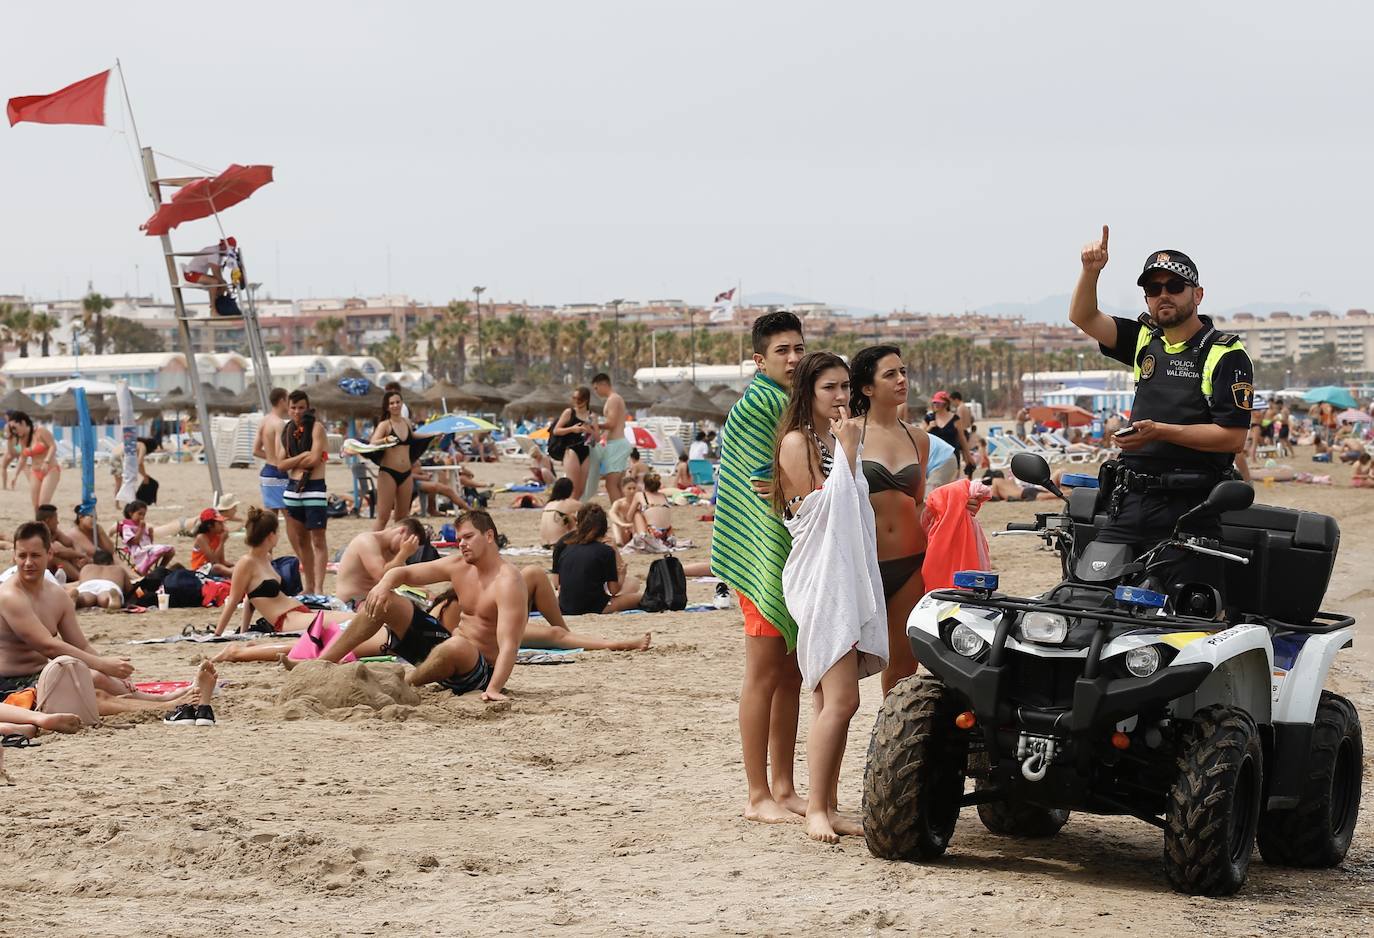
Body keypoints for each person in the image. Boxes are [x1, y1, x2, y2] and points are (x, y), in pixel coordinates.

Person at [1070, 227, 1252, 579]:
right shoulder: (1144, 339)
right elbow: (1084, 317)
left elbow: (1233, 438)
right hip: (1131, 500)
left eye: (1174, 287)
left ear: (1197, 294)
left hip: (1192, 505)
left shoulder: (1225, 352)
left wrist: (1160, 432)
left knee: (1183, 616)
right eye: (1153, 289)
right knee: (1090, 591)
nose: (1163, 295)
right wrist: (1091, 271)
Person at [774, 352, 886, 842]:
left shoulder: (837, 438)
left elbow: (854, 501)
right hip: (819, 579)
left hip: (844, 574)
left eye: (845, 387)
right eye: (830, 388)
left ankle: (828, 803)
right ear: (809, 393)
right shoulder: (798, 442)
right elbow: (819, 509)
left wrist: (848, 449)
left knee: (835, 702)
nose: (842, 397)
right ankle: (816, 806)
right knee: (839, 699)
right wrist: (848, 450)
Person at [709, 309, 808, 824]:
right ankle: (756, 794)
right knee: (763, 674)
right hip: (760, 556)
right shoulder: (758, 408)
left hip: (786, 551)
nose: (792, 358)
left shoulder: (793, 404)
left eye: (798, 348)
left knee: (790, 673)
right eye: (781, 351)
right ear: (759, 359)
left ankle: (785, 786)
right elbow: (756, 489)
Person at [0, 521, 211, 718]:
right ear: (13, 556)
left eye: (35, 555)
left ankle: (160, 698)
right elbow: (48, 646)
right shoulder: (10, 596)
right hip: (9, 685)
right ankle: (163, 706)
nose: (28, 563)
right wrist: (103, 664)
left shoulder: (57, 595)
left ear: (49, 554)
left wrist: (110, 672)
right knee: (91, 696)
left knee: (97, 678)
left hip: (40, 674)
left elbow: (80, 644)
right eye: (22, 556)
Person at [320, 511, 526, 701]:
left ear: (489, 536)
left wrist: (494, 688)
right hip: (445, 654)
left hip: (480, 673)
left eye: (468, 537)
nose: (461, 544)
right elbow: (404, 573)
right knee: (387, 601)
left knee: (457, 645)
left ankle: (405, 683)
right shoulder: (459, 566)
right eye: (459, 539)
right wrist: (383, 585)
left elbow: (509, 644)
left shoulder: (508, 581)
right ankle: (322, 663)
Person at [848, 346, 932, 695]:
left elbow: (918, 503)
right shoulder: (848, 433)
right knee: (843, 669)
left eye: (903, 372)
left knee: (903, 667)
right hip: (863, 565)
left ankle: (890, 739)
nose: (901, 380)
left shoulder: (919, 438)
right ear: (867, 388)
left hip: (911, 562)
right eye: (890, 374)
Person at [280, 389, 329, 595]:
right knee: (301, 541)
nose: (297, 411)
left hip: (314, 488)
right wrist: (303, 456)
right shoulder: (287, 431)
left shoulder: (316, 428)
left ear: (307, 408)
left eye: (301, 407)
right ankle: (308, 586)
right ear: (288, 409)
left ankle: (318, 588)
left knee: (318, 540)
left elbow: (314, 460)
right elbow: (280, 464)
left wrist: (298, 459)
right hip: (293, 489)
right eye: (293, 407)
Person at [550, 505, 643, 614]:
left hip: (565, 605)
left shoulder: (566, 545)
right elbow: (614, 590)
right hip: (594, 606)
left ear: (578, 523)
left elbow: (556, 582)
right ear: (603, 527)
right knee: (639, 595)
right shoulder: (605, 551)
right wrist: (621, 573)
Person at [332, 519, 428, 608]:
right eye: (408, 542)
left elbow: (404, 576)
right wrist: (404, 554)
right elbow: (382, 576)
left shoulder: (394, 552)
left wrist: (425, 591)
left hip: (370, 601)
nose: (405, 547)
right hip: (350, 603)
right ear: (402, 531)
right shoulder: (366, 541)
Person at [371, 389, 418, 531]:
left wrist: (433, 434)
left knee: (402, 518)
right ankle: (371, 545)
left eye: (398, 402)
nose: (395, 405)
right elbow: (373, 442)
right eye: (392, 403)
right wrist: (386, 439)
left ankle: (397, 548)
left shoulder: (407, 422)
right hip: (388, 473)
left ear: (402, 403)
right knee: (383, 518)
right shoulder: (385, 425)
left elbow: (414, 437)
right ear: (387, 406)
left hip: (406, 473)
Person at [583, 373, 631, 504]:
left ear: (603, 384)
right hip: (616, 443)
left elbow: (612, 424)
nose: (596, 391)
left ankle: (619, 513)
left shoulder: (613, 399)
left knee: (611, 484)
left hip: (617, 444)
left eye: (596, 388)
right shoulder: (614, 399)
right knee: (616, 485)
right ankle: (624, 514)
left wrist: (595, 424)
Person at [551, 387, 597, 500]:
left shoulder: (591, 416)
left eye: (579, 399)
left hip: (586, 450)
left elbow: (597, 439)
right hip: (571, 450)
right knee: (573, 487)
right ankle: (568, 513)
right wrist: (572, 429)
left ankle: (574, 512)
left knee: (581, 490)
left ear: (586, 400)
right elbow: (556, 430)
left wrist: (590, 430)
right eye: (574, 398)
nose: (576, 401)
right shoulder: (569, 413)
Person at [9, 412, 60, 510]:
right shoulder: (20, 439)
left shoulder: (41, 431)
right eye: (12, 429)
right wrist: (15, 475)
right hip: (35, 472)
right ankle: (39, 525)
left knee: (42, 506)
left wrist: (46, 461)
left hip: (50, 469)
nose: (13, 431)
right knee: (36, 507)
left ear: (23, 423)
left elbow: (53, 446)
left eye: (14, 427)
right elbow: (22, 458)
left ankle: (46, 523)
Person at [254, 388, 292, 515]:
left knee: (270, 518)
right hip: (278, 473)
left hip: (266, 473)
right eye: (288, 400)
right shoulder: (279, 423)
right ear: (282, 401)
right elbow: (280, 453)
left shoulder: (264, 420)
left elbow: (256, 451)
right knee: (290, 516)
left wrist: (270, 457)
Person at [116, 500, 176, 575]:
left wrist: (150, 534)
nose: (141, 517)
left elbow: (149, 542)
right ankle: (143, 569)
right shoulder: (127, 526)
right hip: (138, 551)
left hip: (147, 548)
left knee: (171, 550)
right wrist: (141, 529)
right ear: (131, 513)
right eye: (139, 514)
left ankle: (160, 569)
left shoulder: (142, 525)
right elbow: (134, 541)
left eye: (143, 515)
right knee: (160, 550)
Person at [35, 504, 88, 582]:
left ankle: (81, 574)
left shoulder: (54, 532)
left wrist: (80, 559)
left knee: (70, 552)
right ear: (48, 520)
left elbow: (72, 543)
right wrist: (81, 555)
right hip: (36, 565)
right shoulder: (37, 533)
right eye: (55, 519)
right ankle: (81, 579)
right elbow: (57, 551)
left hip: (48, 566)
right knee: (54, 558)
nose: (58, 522)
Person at [67, 550, 131, 611]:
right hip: (109, 585)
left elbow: (81, 583)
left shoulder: (87, 567)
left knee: (85, 598)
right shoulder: (118, 569)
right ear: (112, 562)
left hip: (88, 584)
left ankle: (77, 599)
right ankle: (111, 599)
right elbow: (129, 589)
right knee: (105, 598)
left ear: (94, 561)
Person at [925, 391, 972, 475]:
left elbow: (962, 439)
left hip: (952, 457)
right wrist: (929, 427)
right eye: (934, 402)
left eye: (938, 403)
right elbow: (920, 436)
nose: (935, 405)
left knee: (951, 485)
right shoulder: (929, 418)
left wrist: (969, 457)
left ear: (946, 404)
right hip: (934, 458)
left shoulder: (955, 419)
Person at [190, 509, 235, 578]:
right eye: (220, 523)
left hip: (213, 567)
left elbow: (222, 561)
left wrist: (234, 565)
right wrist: (222, 542)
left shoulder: (217, 536)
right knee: (217, 568)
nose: (223, 526)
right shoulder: (201, 538)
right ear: (210, 526)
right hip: (200, 570)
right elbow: (214, 561)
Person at [539, 477, 581, 548]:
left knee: (569, 518)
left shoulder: (548, 504)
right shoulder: (569, 503)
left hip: (544, 544)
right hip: (557, 544)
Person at [607, 476, 648, 546]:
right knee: (615, 523)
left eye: (634, 488)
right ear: (623, 489)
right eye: (629, 488)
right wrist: (622, 524)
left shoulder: (641, 502)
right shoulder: (619, 503)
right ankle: (618, 541)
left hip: (637, 530)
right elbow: (611, 513)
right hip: (624, 531)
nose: (632, 491)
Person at [640, 472, 674, 542]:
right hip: (668, 533)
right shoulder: (663, 495)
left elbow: (629, 516)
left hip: (653, 534)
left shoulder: (641, 495)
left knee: (636, 514)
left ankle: (640, 537)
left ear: (644, 485)